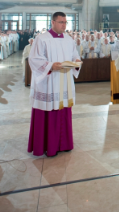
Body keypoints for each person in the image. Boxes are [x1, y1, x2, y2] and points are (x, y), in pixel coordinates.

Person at [28, 12, 82, 157]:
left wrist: (76, 62)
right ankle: (48, 146)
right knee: (49, 112)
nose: (64, 25)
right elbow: (34, 59)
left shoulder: (69, 39)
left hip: (64, 82)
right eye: (61, 22)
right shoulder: (42, 39)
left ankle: (64, 144)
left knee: (64, 110)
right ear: (53, 22)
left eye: (65, 22)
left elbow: (74, 55)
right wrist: (51, 66)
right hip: (49, 82)